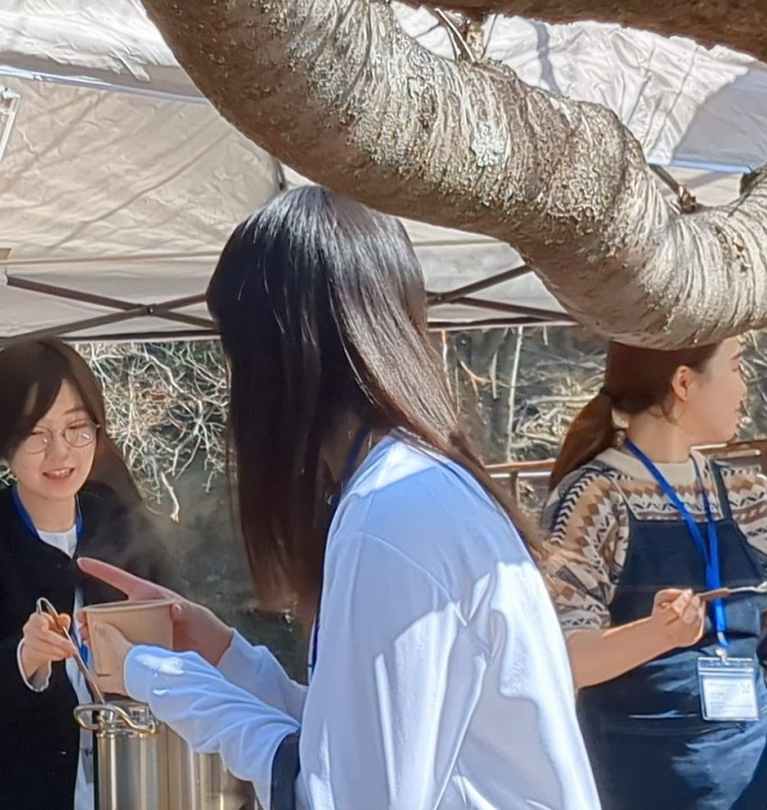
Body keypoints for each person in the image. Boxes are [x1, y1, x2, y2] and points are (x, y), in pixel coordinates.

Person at [80, 186, 598, 809]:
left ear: (279, 356)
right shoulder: (412, 488)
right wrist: (222, 654)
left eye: (234, 352)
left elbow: (337, 795)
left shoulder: (391, 516)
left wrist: (159, 677)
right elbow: (356, 745)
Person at [538, 339, 767, 809]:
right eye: (737, 367)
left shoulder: (746, 494)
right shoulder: (593, 497)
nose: (745, 388)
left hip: (758, 786)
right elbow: (564, 657)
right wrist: (656, 634)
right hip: (643, 787)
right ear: (683, 382)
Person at [0, 338, 174, 810]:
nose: (60, 452)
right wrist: (24, 657)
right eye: (36, 434)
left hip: (131, 785)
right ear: (1, 440)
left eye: (76, 429)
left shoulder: (124, 524)